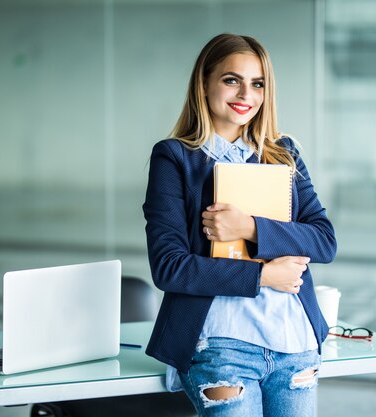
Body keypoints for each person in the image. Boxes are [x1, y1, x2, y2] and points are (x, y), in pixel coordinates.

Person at [143, 33, 337, 417]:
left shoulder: (283, 153)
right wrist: (265, 277)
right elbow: (170, 267)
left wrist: (249, 227)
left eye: (258, 83)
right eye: (232, 79)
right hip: (221, 345)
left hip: (294, 341)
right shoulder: (175, 158)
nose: (245, 93)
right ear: (205, 83)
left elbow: (324, 241)